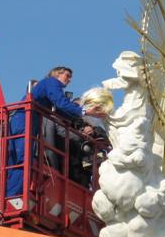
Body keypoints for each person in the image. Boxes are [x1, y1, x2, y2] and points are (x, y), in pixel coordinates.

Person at [6, 66, 102, 196]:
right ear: (57, 74)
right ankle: (12, 196)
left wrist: (82, 120)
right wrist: (84, 111)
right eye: (67, 76)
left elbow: (61, 110)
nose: (69, 80)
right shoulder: (52, 82)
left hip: (25, 120)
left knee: (16, 160)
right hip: (25, 120)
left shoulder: (47, 87)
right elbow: (61, 103)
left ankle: (9, 194)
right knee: (23, 160)